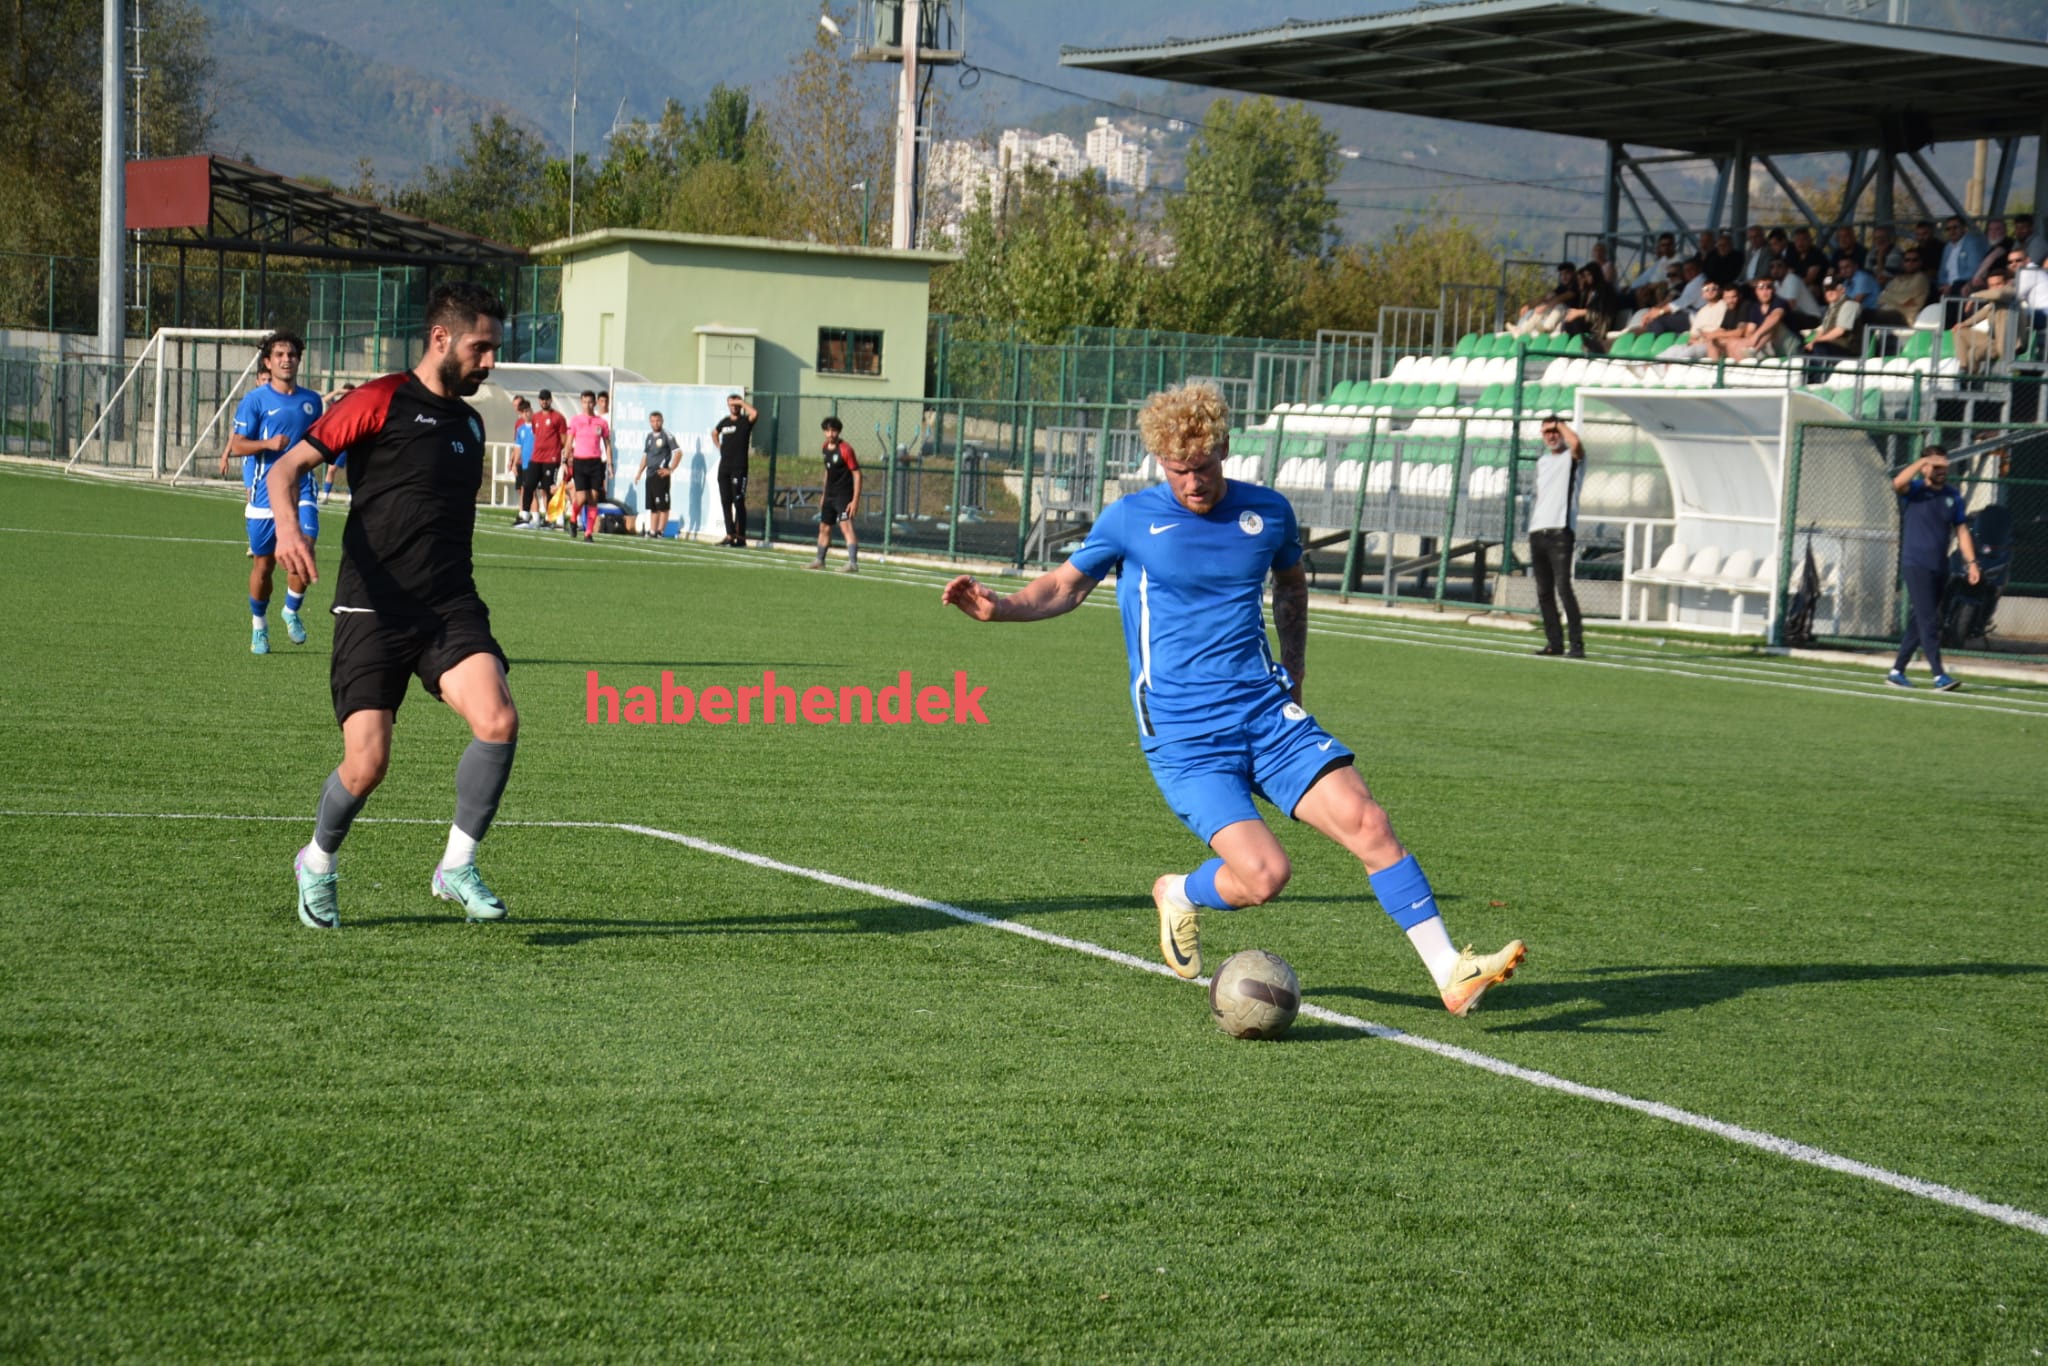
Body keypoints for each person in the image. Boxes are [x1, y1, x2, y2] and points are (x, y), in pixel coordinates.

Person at [938, 383, 1526, 1016]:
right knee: (1265, 877)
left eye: (1205, 466)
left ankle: (1449, 971)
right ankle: (1181, 893)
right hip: (1186, 738)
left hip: (1267, 715)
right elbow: (1063, 587)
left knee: (1370, 823)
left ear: (1224, 450)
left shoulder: (1267, 513)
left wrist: (1295, 673)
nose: (1194, 482)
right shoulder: (1131, 519)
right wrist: (997, 609)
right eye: (1179, 470)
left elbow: (1292, 587)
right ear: (1160, 462)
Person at [265, 281, 519, 928]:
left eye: (495, 350)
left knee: (498, 720)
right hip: (371, 608)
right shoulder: (379, 399)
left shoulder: (469, 421)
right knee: (368, 763)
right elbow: (285, 470)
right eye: (480, 347)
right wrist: (289, 530)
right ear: (442, 338)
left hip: (448, 608)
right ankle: (316, 862)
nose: (490, 362)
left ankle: (456, 866)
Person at [218, 331, 323, 654]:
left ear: (298, 359)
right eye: (279, 354)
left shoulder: (313, 401)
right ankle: (259, 627)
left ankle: (291, 611)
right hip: (264, 496)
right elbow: (236, 445)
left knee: (304, 549)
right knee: (263, 566)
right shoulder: (255, 400)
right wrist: (267, 444)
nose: (286, 359)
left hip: (302, 487)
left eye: (291, 354)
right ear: (268, 361)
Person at [1886, 446, 1980, 692]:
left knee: (1921, 619)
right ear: (1925, 467)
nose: (1941, 471)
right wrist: (1922, 462)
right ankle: (1939, 675)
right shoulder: (1916, 490)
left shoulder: (1952, 496)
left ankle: (1897, 671)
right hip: (1916, 564)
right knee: (1929, 620)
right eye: (1935, 466)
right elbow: (1897, 483)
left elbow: (1961, 530)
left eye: (1944, 466)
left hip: (1940, 566)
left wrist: (1972, 563)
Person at [1527, 417, 1586, 659]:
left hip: (1560, 532)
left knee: (1563, 587)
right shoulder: (1542, 462)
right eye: (1546, 432)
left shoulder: (1571, 458)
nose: (1551, 436)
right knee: (1544, 591)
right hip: (1538, 530)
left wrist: (1559, 424)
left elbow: (1576, 444)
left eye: (1554, 431)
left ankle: (1577, 644)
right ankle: (1554, 642)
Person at [808, 416, 862, 572]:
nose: (830, 434)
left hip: (843, 496)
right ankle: (820, 560)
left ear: (838, 432)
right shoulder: (825, 447)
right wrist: (824, 494)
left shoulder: (846, 449)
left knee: (846, 527)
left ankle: (853, 563)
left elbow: (857, 474)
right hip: (830, 495)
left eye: (833, 431)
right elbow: (828, 472)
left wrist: (855, 500)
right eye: (827, 430)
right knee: (824, 527)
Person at [1706, 278, 1796, 361]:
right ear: (1756, 291)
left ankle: (1753, 352)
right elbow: (1750, 330)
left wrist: (1754, 338)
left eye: (1768, 287)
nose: (1765, 291)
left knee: (1773, 324)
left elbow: (1775, 316)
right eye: (1761, 288)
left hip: (1789, 346)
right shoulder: (1755, 307)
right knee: (1732, 344)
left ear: (1774, 290)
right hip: (1766, 345)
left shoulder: (1779, 302)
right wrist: (1745, 343)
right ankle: (1721, 373)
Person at [712, 391, 758, 547]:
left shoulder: (745, 421)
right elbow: (714, 432)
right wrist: (719, 446)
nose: (734, 407)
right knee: (726, 502)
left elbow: (755, 413)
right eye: (731, 404)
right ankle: (730, 535)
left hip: (739, 467)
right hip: (724, 467)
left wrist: (742, 403)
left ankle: (741, 537)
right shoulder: (724, 422)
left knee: (738, 501)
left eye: (736, 405)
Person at [566, 389, 612, 541]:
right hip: (579, 461)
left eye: (590, 402)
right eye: (585, 402)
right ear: (581, 402)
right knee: (581, 498)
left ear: (595, 403)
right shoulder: (575, 420)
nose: (588, 405)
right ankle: (573, 519)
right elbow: (568, 441)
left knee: (593, 497)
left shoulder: (601, 423)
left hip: (595, 462)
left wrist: (610, 464)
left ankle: (588, 533)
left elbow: (607, 444)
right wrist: (565, 460)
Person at [1800, 276, 1863, 381]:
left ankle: (1820, 380)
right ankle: (1807, 380)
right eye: (1826, 290)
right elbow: (1822, 330)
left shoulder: (1849, 304)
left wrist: (1817, 341)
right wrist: (1812, 342)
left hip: (1847, 349)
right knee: (1804, 348)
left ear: (1842, 289)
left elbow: (1840, 331)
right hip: (1833, 347)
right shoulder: (1832, 307)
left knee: (1819, 346)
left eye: (1832, 289)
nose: (1829, 292)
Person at [523, 388, 568, 528]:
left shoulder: (558, 417)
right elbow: (537, 434)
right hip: (536, 458)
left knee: (549, 489)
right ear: (539, 400)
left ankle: (551, 518)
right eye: (542, 399)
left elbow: (563, 439)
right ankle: (524, 514)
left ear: (551, 400)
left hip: (551, 459)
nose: (544, 401)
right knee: (529, 485)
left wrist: (560, 455)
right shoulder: (536, 417)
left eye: (546, 399)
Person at [633, 410, 680, 539]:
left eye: (658, 420)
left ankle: (660, 531)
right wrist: (639, 472)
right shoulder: (649, 437)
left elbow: (678, 453)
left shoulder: (667, 436)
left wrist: (670, 469)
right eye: (653, 421)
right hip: (650, 475)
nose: (655, 423)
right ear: (650, 422)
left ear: (662, 421)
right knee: (653, 506)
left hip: (661, 475)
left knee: (663, 506)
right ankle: (653, 531)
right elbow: (646, 456)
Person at [1869, 248, 1932, 325]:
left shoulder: (1921, 278)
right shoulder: (1898, 278)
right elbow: (1881, 297)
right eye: (1907, 260)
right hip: (1888, 313)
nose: (1910, 263)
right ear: (1903, 263)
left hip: (1905, 318)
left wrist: (1887, 295)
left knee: (1870, 316)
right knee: (1863, 314)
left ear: (1920, 262)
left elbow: (1904, 298)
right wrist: (1895, 298)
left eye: (1914, 260)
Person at [319, 382, 357, 504]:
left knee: (351, 472)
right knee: (331, 469)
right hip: (339, 444)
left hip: (351, 444)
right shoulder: (338, 405)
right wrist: (339, 391)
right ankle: (325, 496)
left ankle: (351, 498)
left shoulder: (357, 407)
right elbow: (325, 399)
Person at [506, 396, 535, 526]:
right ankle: (522, 514)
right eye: (521, 410)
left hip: (534, 463)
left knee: (529, 490)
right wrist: (513, 462)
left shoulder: (537, 425)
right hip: (522, 463)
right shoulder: (519, 426)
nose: (524, 413)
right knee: (522, 490)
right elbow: (517, 446)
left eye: (527, 410)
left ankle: (534, 517)